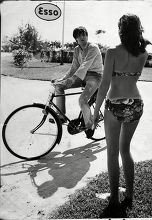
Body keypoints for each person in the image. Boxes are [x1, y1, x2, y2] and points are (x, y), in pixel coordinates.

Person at [93, 14, 150, 217]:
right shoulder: (143, 53)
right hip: (136, 104)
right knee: (125, 151)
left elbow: (104, 85)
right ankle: (130, 195)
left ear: (121, 30)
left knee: (112, 153)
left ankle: (115, 199)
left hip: (115, 105)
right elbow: (133, 78)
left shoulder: (112, 52)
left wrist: (95, 111)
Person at [53, 26, 103, 134]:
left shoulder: (93, 47)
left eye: (84, 35)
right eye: (79, 36)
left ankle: (90, 126)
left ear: (87, 36)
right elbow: (74, 68)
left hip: (95, 77)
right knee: (58, 86)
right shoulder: (77, 49)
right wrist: (62, 80)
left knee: (82, 100)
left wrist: (73, 79)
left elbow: (85, 65)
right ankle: (61, 117)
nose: (82, 37)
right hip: (82, 76)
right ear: (76, 39)